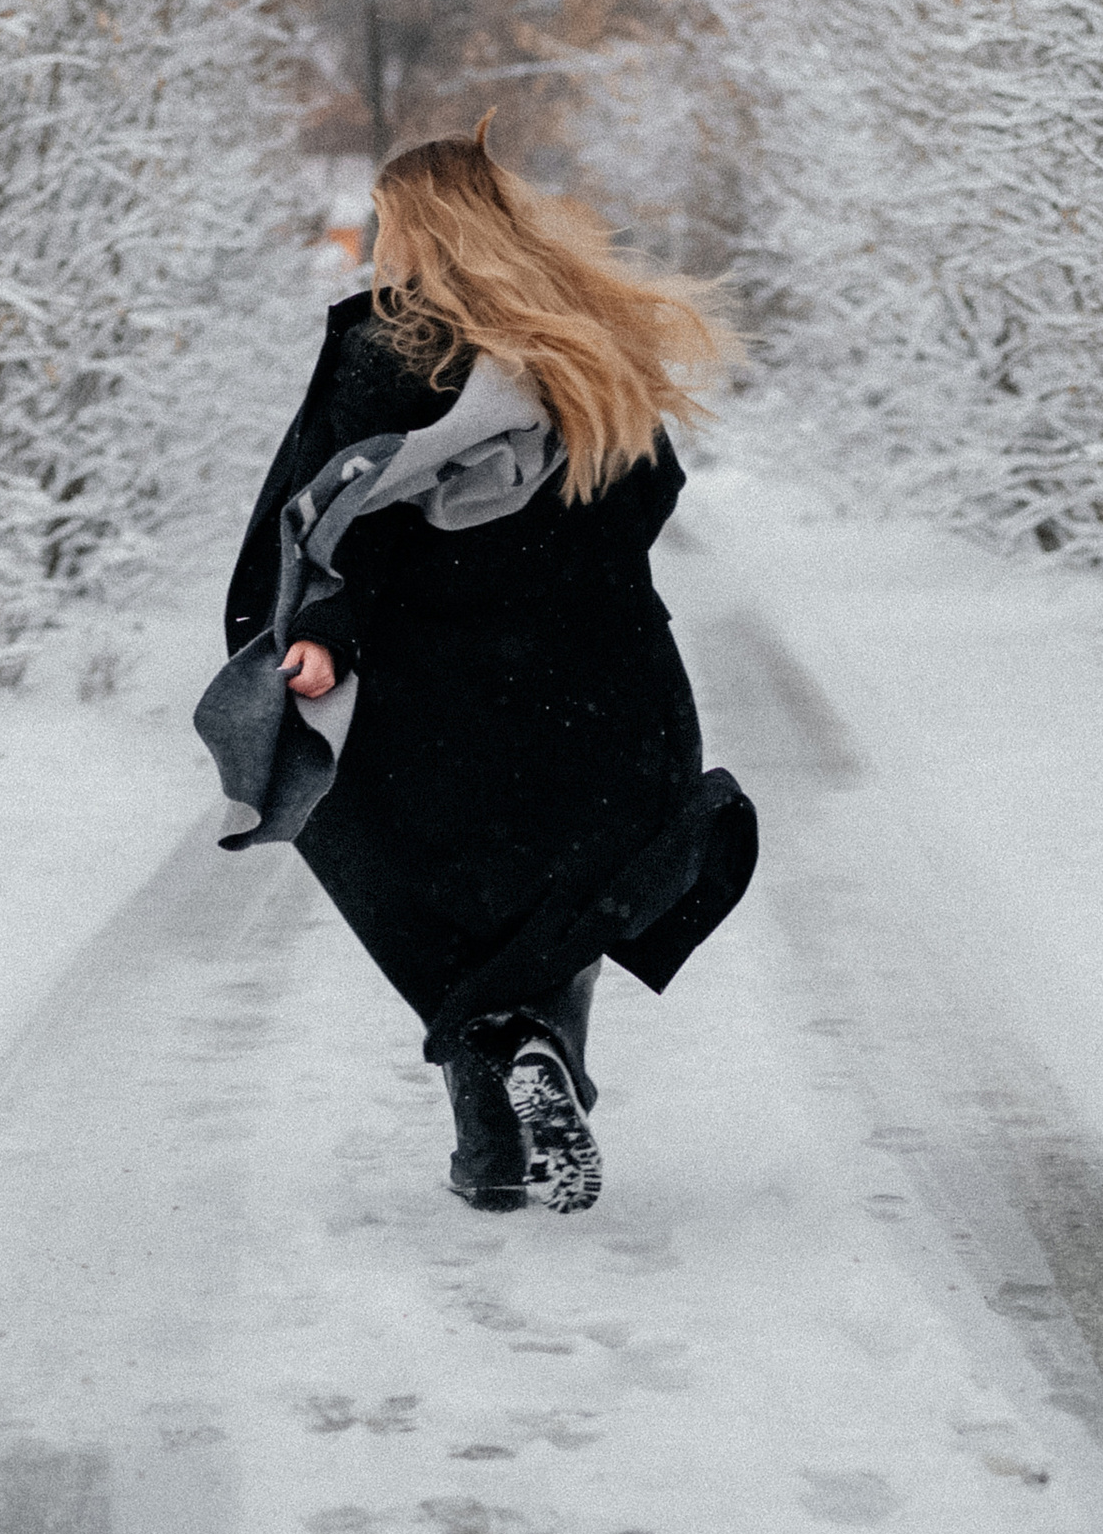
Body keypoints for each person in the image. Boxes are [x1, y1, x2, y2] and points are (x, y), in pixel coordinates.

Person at [199, 124, 758, 1214]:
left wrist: (322, 632)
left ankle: (499, 1109)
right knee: (568, 882)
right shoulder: (585, 341)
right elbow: (652, 491)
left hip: (435, 679)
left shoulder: (385, 348)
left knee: (422, 886)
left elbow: (332, 514)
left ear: (409, 230)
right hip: (598, 667)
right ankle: (529, 1063)